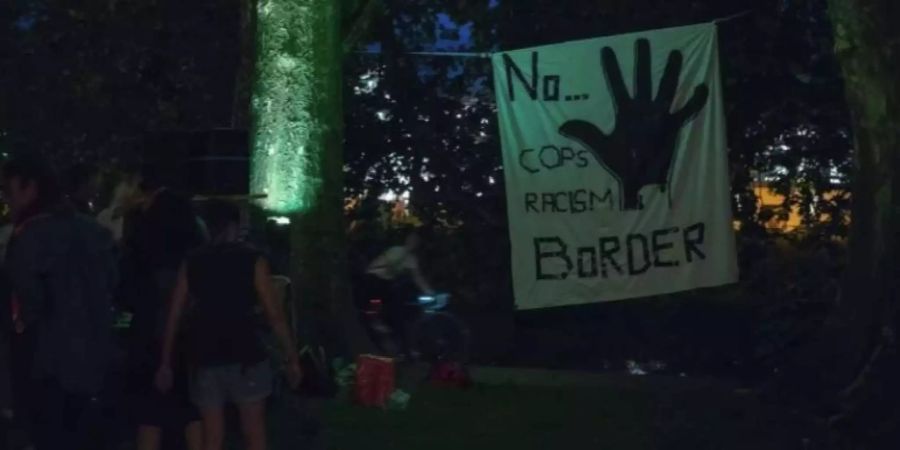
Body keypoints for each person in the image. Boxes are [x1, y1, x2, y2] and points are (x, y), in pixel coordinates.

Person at [155, 200, 302, 450]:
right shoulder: (252, 259)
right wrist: (292, 357)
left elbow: (175, 313)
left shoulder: (193, 261)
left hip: (205, 352)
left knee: (212, 435)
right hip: (245, 351)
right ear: (234, 225)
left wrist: (166, 362)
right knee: (253, 431)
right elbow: (274, 313)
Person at [1, 155, 117, 450]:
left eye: (10, 191)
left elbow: (27, 302)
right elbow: (114, 283)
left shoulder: (28, 236)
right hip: (96, 357)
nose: (8, 200)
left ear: (30, 189)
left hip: (47, 363)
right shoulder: (95, 232)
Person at [121, 163, 206, 450]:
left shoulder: (141, 235)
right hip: (187, 329)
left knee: (150, 412)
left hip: (150, 328)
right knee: (189, 408)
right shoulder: (187, 229)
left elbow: (129, 284)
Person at [363, 229, 435, 355]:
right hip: (373, 278)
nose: (412, 243)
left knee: (396, 306)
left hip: (386, 283)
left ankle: (400, 346)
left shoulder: (411, 260)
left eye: (415, 241)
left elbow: (418, 278)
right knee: (377, 293)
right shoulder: (396, 250)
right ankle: (375, 320)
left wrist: (430, 292)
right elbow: (382, 263)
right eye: (411, 239)